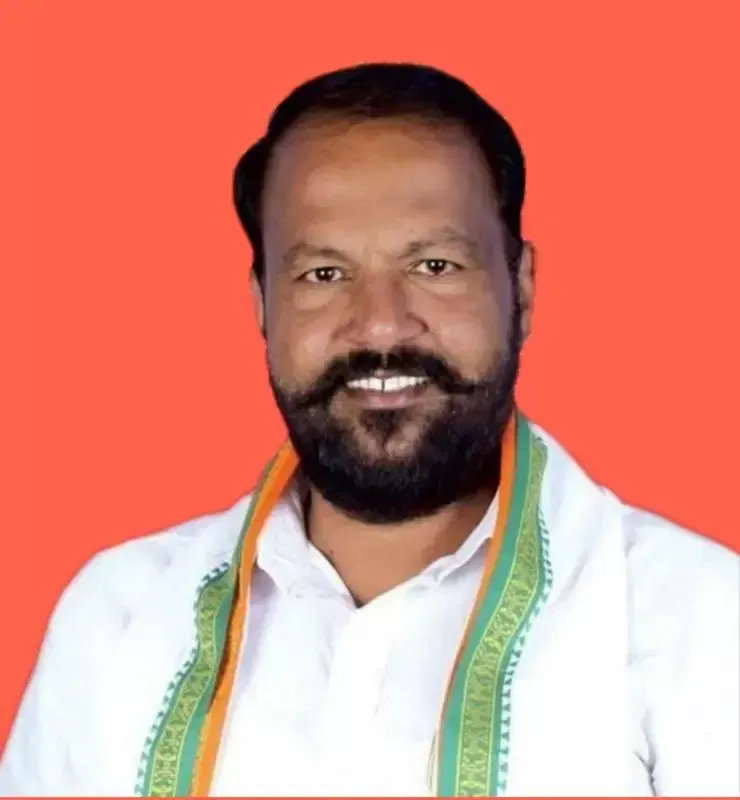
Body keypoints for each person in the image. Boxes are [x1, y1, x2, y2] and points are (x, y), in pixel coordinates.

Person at [1, 63, 737, 798]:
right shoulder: (118, 622)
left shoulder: (699, 619)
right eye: (324, 275)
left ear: (522, 289)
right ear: (262, 305)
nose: (381, 325)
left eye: (435, 265)